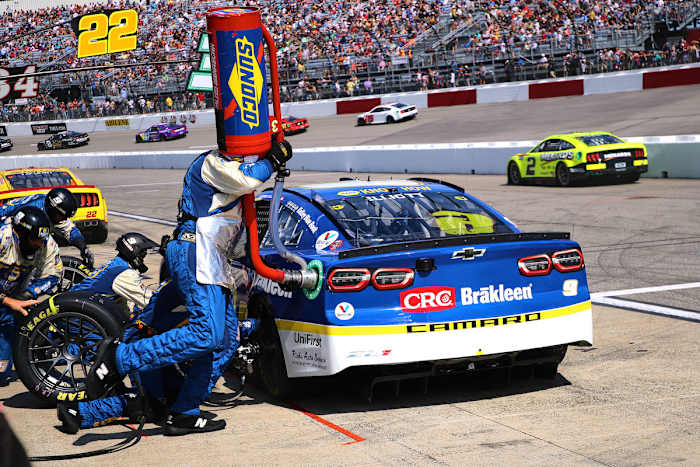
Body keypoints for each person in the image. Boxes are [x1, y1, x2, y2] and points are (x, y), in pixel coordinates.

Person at [87, 138, 292, 435]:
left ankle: (185, 410)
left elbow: (239, 234)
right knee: (206, 333)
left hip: (213, 257)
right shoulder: (212, 161)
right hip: (195, 248)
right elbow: (246, 179)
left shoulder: (231, 174)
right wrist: (271, 162)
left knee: (224, 341)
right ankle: (120, 359)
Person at [0, 207, 63, 385]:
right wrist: (7, 300)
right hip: (6, 300)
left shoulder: (47, 243)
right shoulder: (3, 237)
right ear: (20, 233)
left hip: (9, 305)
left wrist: (28, 294)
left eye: (41, 239)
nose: (38, 244)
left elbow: (53, 275)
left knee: (1, 376)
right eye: (34, 239)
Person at [0, 187, 94, 269]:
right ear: (52, 209)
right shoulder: (34, 210)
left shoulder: (55, 211)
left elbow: (70, 230)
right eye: (62, 216)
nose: (64, 220)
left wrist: (84, 248)